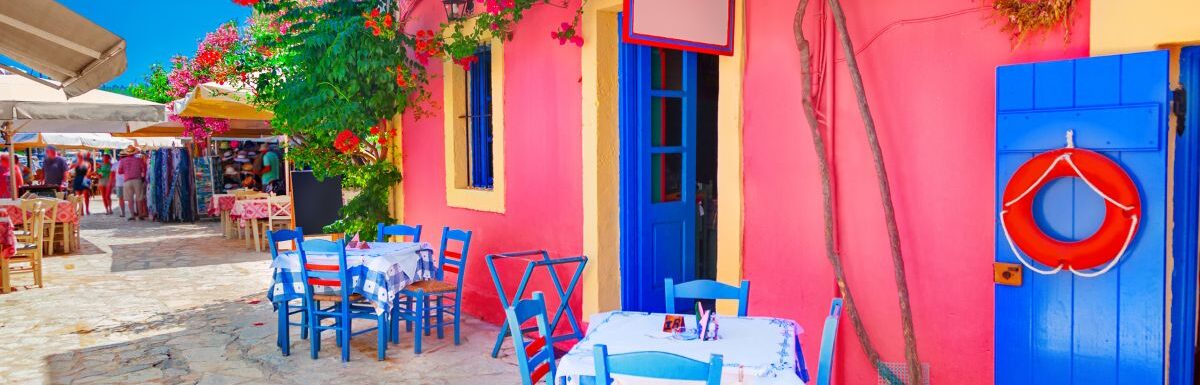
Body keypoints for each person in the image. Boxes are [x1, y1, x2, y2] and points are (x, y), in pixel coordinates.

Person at [117, 146, 147, 220]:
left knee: (130, 199)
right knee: (139, 198)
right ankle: (140, 215)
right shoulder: (139, 160)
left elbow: (120, 171)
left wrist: (127, 170)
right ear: (134, 153)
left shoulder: (122, 161)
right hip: (137, 180)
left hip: (127, 181)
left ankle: (132, 215)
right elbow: (143, 169)